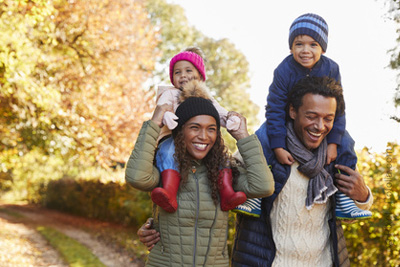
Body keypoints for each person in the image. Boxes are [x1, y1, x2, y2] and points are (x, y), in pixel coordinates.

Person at [234, 13, 372, 220]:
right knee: (262, 137)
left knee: (346, 141)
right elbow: (274, 107)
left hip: (318, 119)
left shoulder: (331, 68)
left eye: (313, 44)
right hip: (285, 119)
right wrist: (278, 146)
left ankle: (344, 198)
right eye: (299, 44)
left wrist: (333, 143)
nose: (305, 50)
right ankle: (255, 195)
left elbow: (338, 108)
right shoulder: (284, 69)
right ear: (291, 47)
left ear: (323, 48)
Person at [125, 80, 274, 266]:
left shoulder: (226, 172)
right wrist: (154, 123)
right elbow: (136, 177)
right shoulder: (164, 169)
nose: (204, 136)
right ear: (180, 131)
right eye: (194, 127)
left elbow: (264, 186)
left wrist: (243, 136)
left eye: (211, 129)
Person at [231, 76, 373, 266]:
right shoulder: (263, 148)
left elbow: (349, 216)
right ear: (292, 111)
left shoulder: (335, 156)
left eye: (328, 119)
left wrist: (363, 196)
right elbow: (226, 186)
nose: (320, 126)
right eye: (311, 116)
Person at [153, 47, 244, 213]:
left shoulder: (205, 96)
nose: (183, 76)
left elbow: (220, 112)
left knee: (221, 157)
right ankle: (169, 192)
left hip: (197, 142)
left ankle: (227, 193)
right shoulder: (170, 94)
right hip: (173, 137)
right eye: (177, 73)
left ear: (200, 75)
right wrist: (167, 117)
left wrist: (231, 119)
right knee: (167, 152)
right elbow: (162, 109)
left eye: (189, 70)